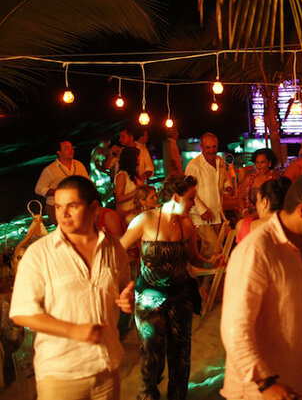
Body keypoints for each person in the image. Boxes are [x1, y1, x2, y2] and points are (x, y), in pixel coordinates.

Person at [11, 176, 134, 400]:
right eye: (58, 207)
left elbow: (122, 288)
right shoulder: (39, 255)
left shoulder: (113, 248)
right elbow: (21, 312)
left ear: (94, 208)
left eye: (72, 206)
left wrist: (126, 300)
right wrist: (73, 330)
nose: (62, 214)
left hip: (106, 368)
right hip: (61, 375)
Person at [220, 173, 302, 400]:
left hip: (298, 372)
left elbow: (296, 297)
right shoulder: (257, 250)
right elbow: (235, 328)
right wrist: (265, 385)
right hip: (262, 387)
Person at [120, 174, 219, 400]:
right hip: (149, 299)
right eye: (191, 198)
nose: (194, 202)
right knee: (151, 357)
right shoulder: (145, 220)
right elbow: (118, 251)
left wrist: (212, 262)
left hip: (180, 297)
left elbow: (193, 259)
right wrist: (126, 285)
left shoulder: (187, 225)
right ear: (176, 196)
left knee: (181, 357)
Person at [185, 132, 228, 258]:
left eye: (214, 147)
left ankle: (207, 275)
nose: (211, 150)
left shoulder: (220, 161)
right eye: (208, 147)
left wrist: (228, 187)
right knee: (213, 244)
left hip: (216, 211)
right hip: (199, 215)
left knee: (211, 247)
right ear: (201, 147)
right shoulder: (193, 166)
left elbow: (224, 179)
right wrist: (202, 210)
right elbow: (189, 190)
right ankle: (205, 273)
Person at [34, 140, 90, 224]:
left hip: (76, 205)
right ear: (59, 152)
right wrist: (59, 191)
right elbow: (38, 188)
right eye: (67, 148)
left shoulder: (78, 165)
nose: (71, 150)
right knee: (68, 233)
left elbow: (88, 182)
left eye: (72, 148)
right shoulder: (50, 170)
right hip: (56, 207)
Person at [235, 177, 292, 244]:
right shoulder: (292, 229)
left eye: (257, 200)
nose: (256, 205)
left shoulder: (243, 226)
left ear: (265, 203)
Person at [239, 147, 279, 216]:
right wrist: (244, 211)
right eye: (257, 162)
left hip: (270, 216)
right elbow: (240, 198)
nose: (259, 166)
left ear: (269, 163)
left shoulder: (275, 179)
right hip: (250, 216)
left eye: (262, 162)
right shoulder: (249, 179)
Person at [114, 146, 141, 224]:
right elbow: (118, 199)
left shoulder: (132, 175)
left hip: (134, 212)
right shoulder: (122, 175)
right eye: (138, 156)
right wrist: (136, 192)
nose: (140, 158)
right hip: (125, 216)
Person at [90, 137, 113, 204]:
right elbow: (93, 164)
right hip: (98, 177)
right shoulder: (97, 150)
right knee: (101, 195)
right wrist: (99, 174)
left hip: (104, 176)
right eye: (108, 142)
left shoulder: (105, 150)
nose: (109, 144)